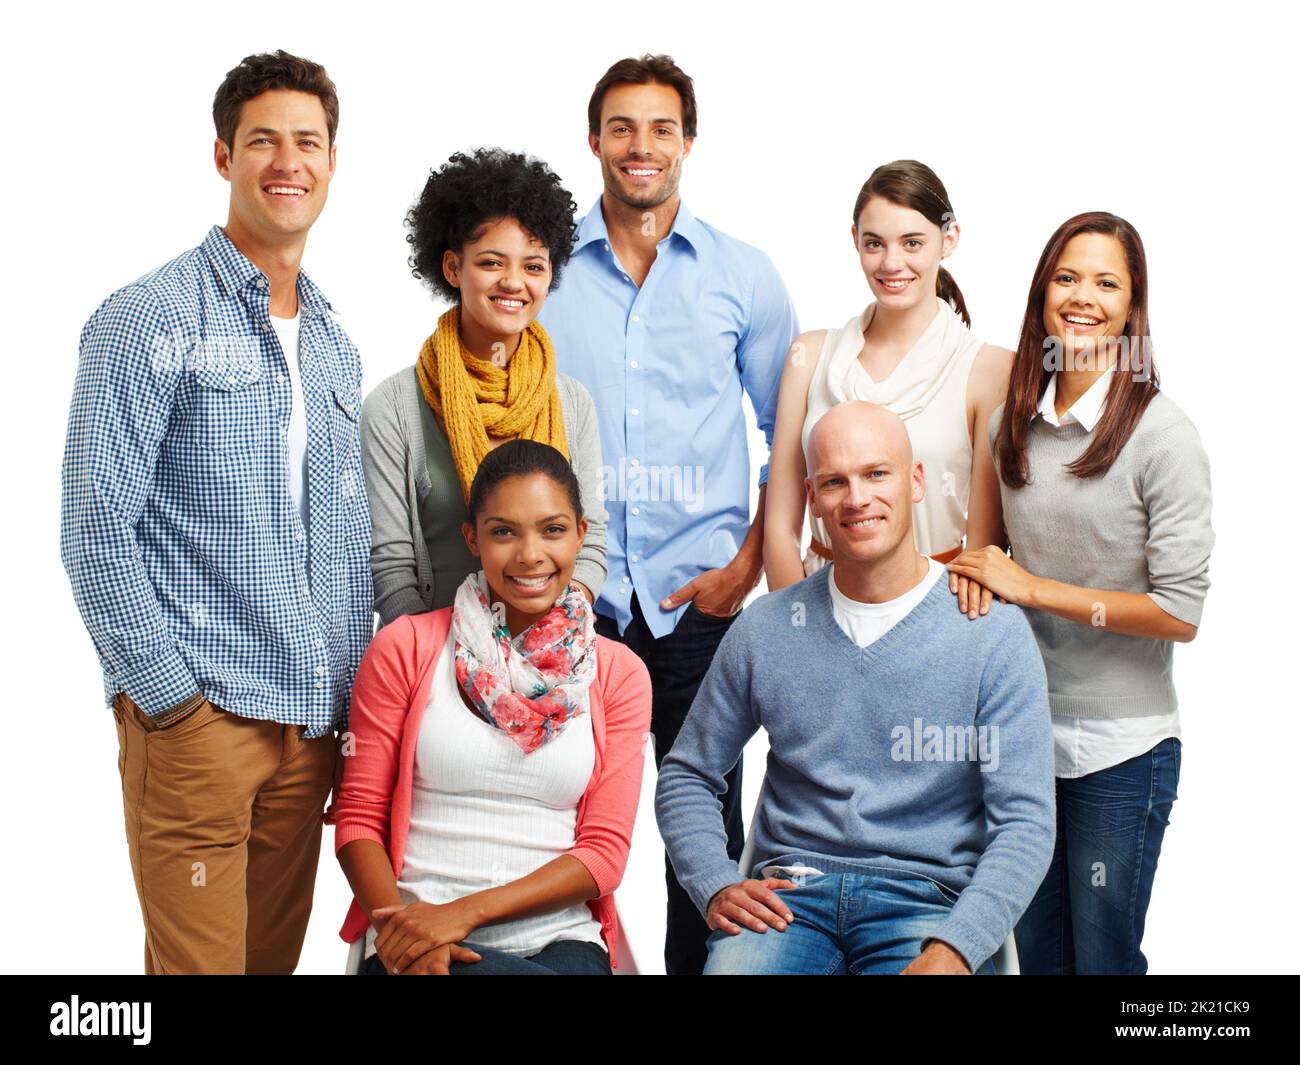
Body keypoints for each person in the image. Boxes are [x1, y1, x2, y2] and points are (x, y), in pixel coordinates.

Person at [58, 51, 370, 974]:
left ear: (332, 161)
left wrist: (344, 723)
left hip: (308, 733)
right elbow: (95, 532)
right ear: (224, 155)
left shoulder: (336, 345)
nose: (288, 161)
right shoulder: (149, 318)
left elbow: (342, 547)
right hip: (201, 725)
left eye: (307, 141)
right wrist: (173, 706)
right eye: (264, 139)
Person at [536, 53, 799, 975]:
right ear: (595, 141)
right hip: (574, 603)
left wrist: (748, 568)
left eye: (660, 128)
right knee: (559, 819)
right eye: (621, 128)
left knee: (706, 833)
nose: (640, 147)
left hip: (700, 604)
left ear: (688, 141)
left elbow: (788, 435)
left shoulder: (745, 277)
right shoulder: (546, 271)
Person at [656, 401, 1055, 975]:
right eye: (835, 481)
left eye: (876, 473)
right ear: (812, 498)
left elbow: (1025, 820)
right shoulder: (767, 628)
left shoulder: (991, 633)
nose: (857, 498)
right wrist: (715, 884)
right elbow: (688, 773)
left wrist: (960, 945)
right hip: (789, 898)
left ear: (916, 481)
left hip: (928, 904)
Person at [948, 212, 1214, 975]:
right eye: (1067, 277)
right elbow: (980, 559)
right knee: (1034, 958)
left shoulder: (1164, 437)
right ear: (1041, 297)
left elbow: (1179, 612)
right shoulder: (1010, 426)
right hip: (1023, 738)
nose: (1083, 296)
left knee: (1103, 963)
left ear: (1133, 308)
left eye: (1106, 282)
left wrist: (1035, 587)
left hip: (1120, 748)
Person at [334, 440, 652, 975]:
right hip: (414, 933)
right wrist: (402, 932)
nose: (530, 555)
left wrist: (460, 916)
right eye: (504, 531)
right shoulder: (405, 648)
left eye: (552, 529)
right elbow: (358, 820)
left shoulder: (618, 674)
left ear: (581, 533)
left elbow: (603, 854)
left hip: (562, 939)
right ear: (472, 539)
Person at [363, 148, 608, 626]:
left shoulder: (572, 401)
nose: (514, 282)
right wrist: (450, 663)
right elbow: (390, 567)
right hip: (433, 662)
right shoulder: (393, 406)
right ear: (454, 268)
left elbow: (591, 539)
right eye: (492, 263)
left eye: (534, 266)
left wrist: (550, 643)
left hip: (552, 661)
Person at [763, 160, 1010, 619]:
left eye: (912, 242)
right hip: (817, 601)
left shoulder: (988, 370)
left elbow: (984, 547)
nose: (892, 263)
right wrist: (795, 629)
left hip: (937, 606)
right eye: (874, 244)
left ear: (949, 239)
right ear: (855, 240)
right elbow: (781, 527)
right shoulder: (810, 357)